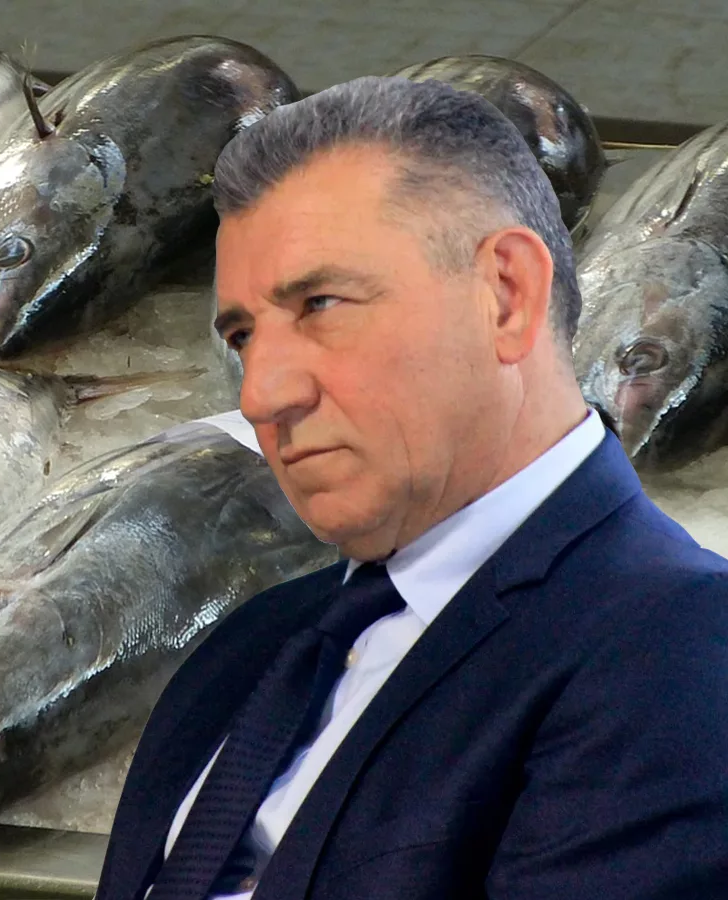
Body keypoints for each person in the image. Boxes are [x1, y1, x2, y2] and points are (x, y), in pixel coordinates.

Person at [95, 75, 728, 900]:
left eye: (320, 303)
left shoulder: (681, 649)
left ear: (506, 295)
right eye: (243, 335)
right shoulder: (243, 653)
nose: (260, 394)